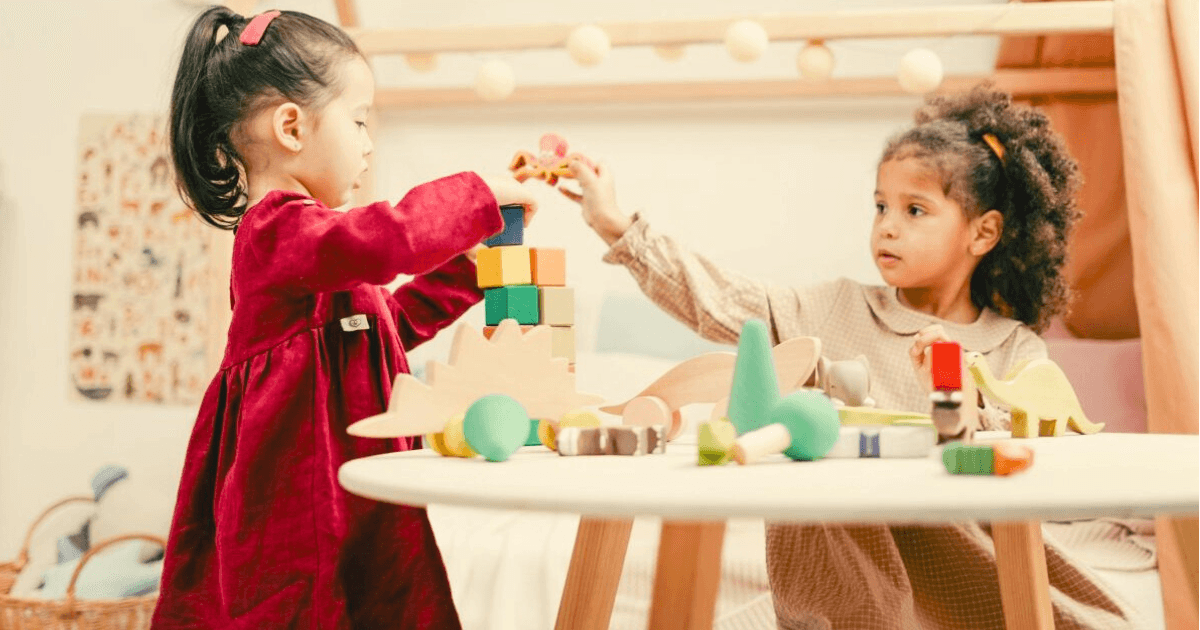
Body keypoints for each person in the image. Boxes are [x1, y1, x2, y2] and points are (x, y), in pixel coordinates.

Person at [562, 85, 1144, 629]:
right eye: (880, 207)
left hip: (967, 565)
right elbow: (719, 300)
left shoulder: (1014, 347)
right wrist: (615, 224)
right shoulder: (835, 309)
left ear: (983, 233)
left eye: (914, 211)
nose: (886, 228)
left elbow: (1026, 453)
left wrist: (957, 392)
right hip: (851, 582)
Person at [153, 7, 535, 628]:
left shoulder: (322, 255)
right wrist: (475, 198)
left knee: (384, 599)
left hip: (355, 492)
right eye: (358, 121)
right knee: (304, 608)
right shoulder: (277, 231)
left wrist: (475, 264)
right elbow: (383, 243)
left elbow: (392, 324)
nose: (368, 142)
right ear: (291, 127)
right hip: (295, 502)